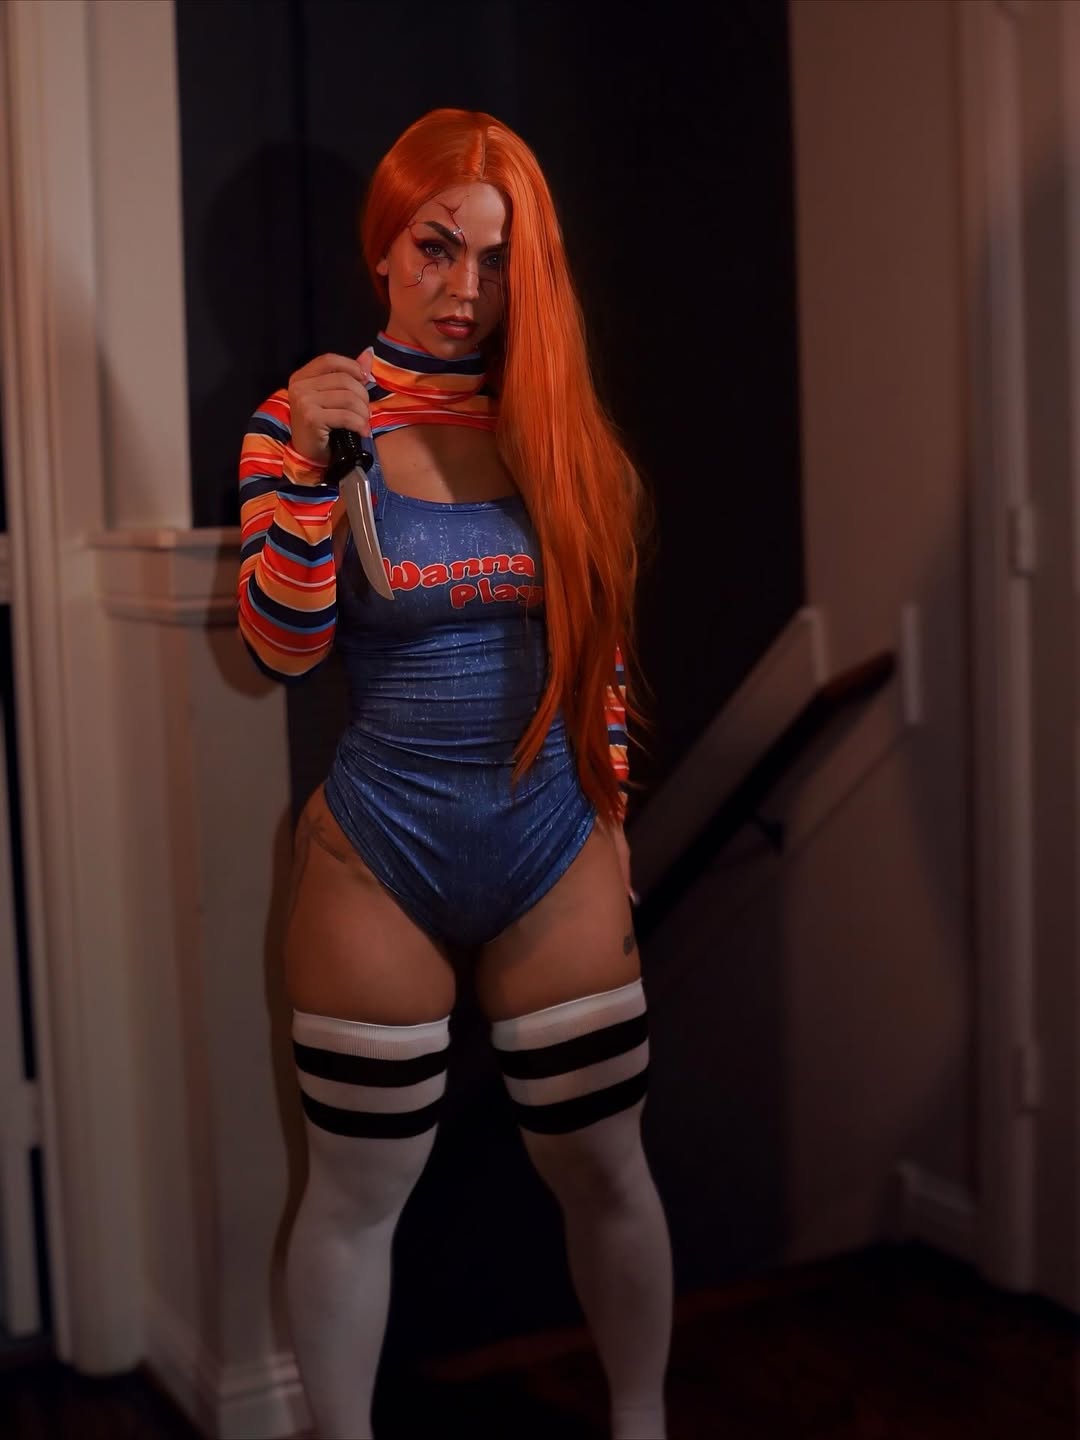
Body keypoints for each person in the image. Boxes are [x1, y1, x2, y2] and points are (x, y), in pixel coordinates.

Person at [237, 107, 672, 1440]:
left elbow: (599, 649)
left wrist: (613, 824)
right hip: (382, 849)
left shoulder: (550, 417)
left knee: (608, 1171)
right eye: (437, 247)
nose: (465, 288)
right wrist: (307, 470)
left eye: (497, 259)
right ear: (384, 244)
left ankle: (644, 1424)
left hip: (551, 835)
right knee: (354, 1200)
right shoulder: (307, 416)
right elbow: (282, 649)